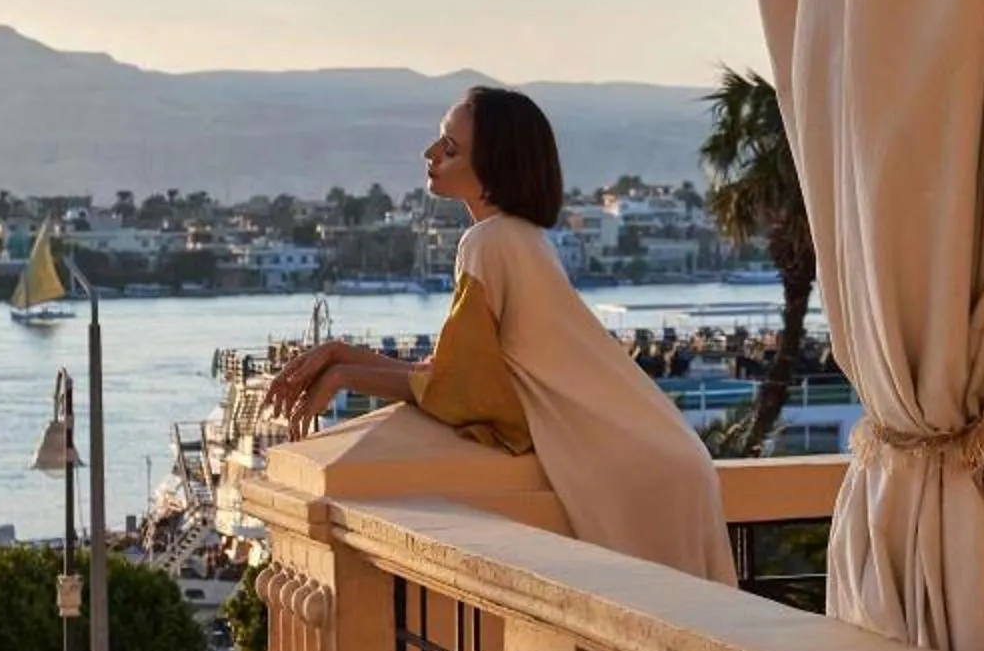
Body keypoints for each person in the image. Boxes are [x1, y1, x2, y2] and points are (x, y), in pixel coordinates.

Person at [262, 86, 735, 590]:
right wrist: (340, 357)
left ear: (492, 166)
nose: (431, 155)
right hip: (661, 456)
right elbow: (462, 375)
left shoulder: (489, 244)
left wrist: (349, 373)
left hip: (631, 467)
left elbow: (464, 393)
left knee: (665, 631)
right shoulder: (521, 239)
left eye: (450, 148)